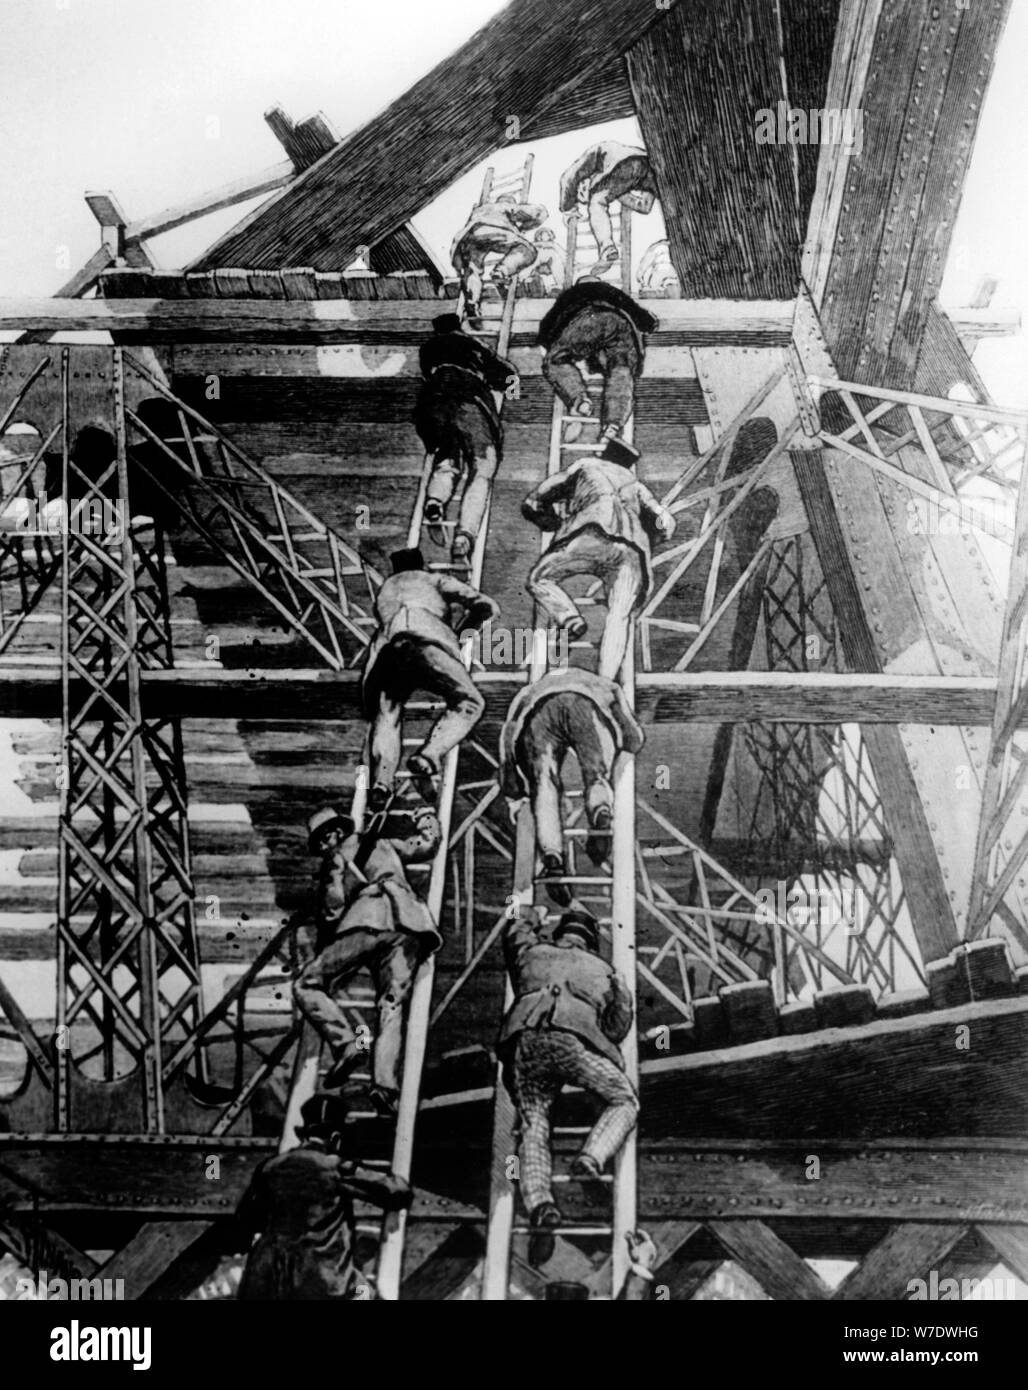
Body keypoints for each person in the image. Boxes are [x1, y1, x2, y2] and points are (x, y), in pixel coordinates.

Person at [498, 907, 637, 1268]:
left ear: (560, 934)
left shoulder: (533, 952)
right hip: (572, 1044)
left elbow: (514, 932)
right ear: (590, 940)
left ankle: (541, 1203)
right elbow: (618, 1025)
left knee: (534, 1121)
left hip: (526, 1041)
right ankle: (591, 1158)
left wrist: (532, 914)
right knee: (623, 1099)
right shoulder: (605, 971)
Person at [293, 805, 442, 1115]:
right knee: (391, 1005)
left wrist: (323, 909)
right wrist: (426, 818)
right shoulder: (384, 844)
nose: (321, 848)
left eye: (322, 840)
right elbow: (427, 844)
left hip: (368, 919)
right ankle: (385, 1087)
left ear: (334, 834)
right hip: (410, 926)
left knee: (307, 983)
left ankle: (346, 1044)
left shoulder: (336, 857)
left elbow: (333, 908)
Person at [522, 437, 676, 679]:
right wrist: (648, 538)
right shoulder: (637, 486)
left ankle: (570, 618)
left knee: (539, 579)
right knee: (619, 617)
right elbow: (665, 523)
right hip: (632, 551)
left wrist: (552, 523)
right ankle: (605, 682)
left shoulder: (585, 465)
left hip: (590, 535)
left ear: (606, 455)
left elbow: (535, 500)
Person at [237, 1092, 412, 1300]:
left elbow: (245, 1221)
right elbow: (397, 1192)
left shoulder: (268, 1168)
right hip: (321, 1282)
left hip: (264, 1281)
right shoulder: (334, 1167)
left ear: (302, 1134)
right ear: (337, 1138)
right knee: (367, 1293)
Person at [360, 547, 499, 807]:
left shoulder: (386, 591)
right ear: (421, 566)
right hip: (429, 644)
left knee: (387, 714)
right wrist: (460, 633)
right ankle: (428, 755)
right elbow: (486, 606)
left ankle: (381, 782)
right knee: (469, 702)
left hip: (389, 650)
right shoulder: (434, 580)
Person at [498, 667, 644, 903]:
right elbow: (631, 731)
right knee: (596, 774)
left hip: (539, 714)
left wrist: (511, 786)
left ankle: (552, 855)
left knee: (544, 784)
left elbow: (509, 731)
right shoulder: (602, 683)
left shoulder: (530, 690)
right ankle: (600, 810)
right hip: (586, 706)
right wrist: (631, 741)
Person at [415, 313, 518, 561]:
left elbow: (427, 375)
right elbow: (505, 373)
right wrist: (510, 385)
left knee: (446, 459)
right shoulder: (472, 344)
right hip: (469, 404)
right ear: (458, 327)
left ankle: (436, 500)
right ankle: (465, 535)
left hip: (432, 405)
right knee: (483, 469)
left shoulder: (427, 349)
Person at [538, 276, 658, 443]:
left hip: (586, 321)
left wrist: (553, 346)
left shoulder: (572, 294)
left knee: (555, 361)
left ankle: (579, 401)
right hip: (619, 324)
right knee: (620, 369)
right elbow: (631, 307)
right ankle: (613, 425)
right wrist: (647, 322)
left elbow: (546, 329)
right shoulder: (606, 290)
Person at [558, 142, 657, 273]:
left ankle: (607, 248)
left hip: (623, 162)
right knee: (644, 207)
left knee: (597, 201)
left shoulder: (594, 158)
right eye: (584, 197)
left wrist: (567, 208)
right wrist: (618, 195)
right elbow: (622, 189)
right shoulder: (610, 182)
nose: (585, 191)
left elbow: (568, 177)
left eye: (582, 189)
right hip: (647, 167)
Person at [450, 193, 548, 320]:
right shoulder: (507, 206)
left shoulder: (480, 209)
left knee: (472, 269)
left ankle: (472, 303)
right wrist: (524, 226)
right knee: (528, 250)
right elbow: (540, 212)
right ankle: (501, 271)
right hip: (497, 232)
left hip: (470, 236)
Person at [531, 227, 566, 295]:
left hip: (549, 261)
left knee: (556, 257)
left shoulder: (553, 245)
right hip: (536, 260)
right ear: (539, 236)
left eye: (548, 235)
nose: (546, 236)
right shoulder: (536, 244)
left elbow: (559, 250)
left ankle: (560, 284)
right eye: (544, 235)